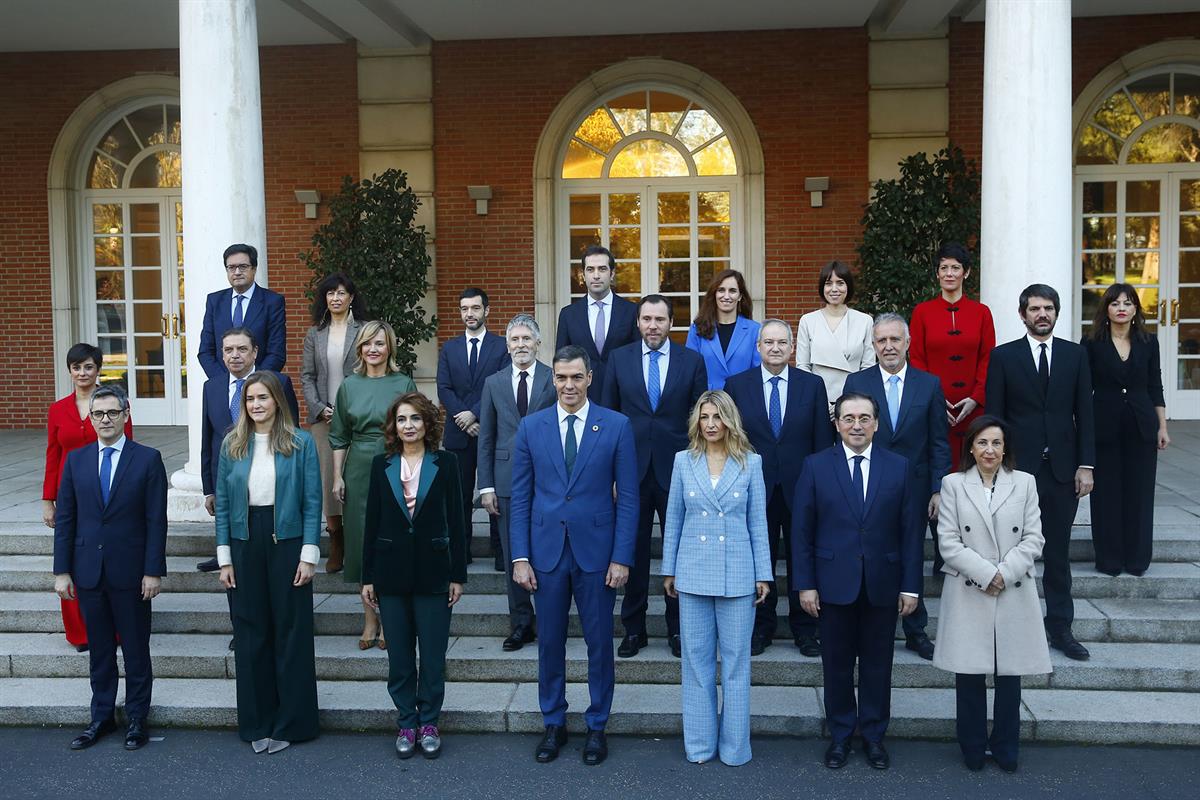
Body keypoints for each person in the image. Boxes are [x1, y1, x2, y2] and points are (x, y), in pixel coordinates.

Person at [509, 345, 638, 766]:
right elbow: (521, 499)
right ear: (553, 380)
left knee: (599, 644)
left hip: (597, 555)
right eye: (561, 377)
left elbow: (631, 499)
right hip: (545, 554)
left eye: (576, 377)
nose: (568, 385)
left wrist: (622, 557)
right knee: (549, 643)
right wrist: (520, 557)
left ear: (589, 379)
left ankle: (597, 724)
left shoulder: (616, 426)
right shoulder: (531, 427)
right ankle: (554, 722)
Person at [791, 392, 921, 771]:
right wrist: (806, 584)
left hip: (883, 583)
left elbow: (910, 532)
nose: (857, 425)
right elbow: (802, 532)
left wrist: (910, 586)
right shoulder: (816, 466)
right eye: (848, 418)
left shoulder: (898, 467)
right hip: (833, 586)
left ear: (876, 424)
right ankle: (841, 736)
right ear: (837, 424)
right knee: (837, 666)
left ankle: (874, 737)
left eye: (864, 418)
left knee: (879, 667)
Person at [52, 385, 167, 751]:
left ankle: (136, 718)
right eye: (98, 413)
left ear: (126, 414)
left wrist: (153, 571)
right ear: (91, 417)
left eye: (112, 413)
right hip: (88, 571)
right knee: (99, 651)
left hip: (132, 572)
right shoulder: (76, 460)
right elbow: (66, 519)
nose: (105, 419)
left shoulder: (147, 459)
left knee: (135, 650)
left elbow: (155, 520)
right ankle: (101, 716)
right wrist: (61, 571)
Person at [933, 415, 1050, 773]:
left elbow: (1034, 537)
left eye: (996, 443)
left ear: (1005, 449)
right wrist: (987, 574)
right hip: (971, 587)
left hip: (1013, 587)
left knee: (1009, 676)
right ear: (970, 446)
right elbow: (948, 541)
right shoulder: (953, 484)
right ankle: (971, 745)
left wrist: (1005, 572)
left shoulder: (1025, 483)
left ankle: (1005, 745)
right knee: (968, 675)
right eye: (982, 442)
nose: (989, 450)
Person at [661, 390, 772, 766]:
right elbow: (673, 517)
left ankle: (735, 748)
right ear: (697, 422)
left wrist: (763, 573)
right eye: (705, 417)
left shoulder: (750, 463)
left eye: (717, 417)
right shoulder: (683, 461)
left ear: (729, 421)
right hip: (692, 572)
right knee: (696, 663)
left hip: (738, 573)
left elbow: (759, 522)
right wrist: (670, 569)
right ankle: (700, 745)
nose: (711, 424)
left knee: (737, 664)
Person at [986, 284, 1095, 661]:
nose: (1042, 314)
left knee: (1058, 553)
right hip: (1017, 471)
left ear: (1056, 313)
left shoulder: (1075, 355)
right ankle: (1012, 626)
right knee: (1012, 552)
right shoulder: (1003, 357)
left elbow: (1086, 413)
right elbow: (994, 418)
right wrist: (995, 468)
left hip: (1063, 471)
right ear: (1022, 314)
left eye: (1048, 308)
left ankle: (1061, 627)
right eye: (1035, 309)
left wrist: (1086, 465)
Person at [215, 372, 322, 754]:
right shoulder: (232, 444)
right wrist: (224, 557)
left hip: (288, 539)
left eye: (263, 397)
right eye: (250, 399)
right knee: (250, 633)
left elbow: (313, 500)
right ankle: (257, 721)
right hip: (245, 542)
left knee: (291, 631)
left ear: (277, 400)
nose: (256, 404)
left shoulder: (301, 443)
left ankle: (294, 722)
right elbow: (224, 506)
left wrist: (309, 553)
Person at [362, 392, 468, 759]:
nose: (408, 426)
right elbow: (371, 521)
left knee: (434, 657)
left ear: (428, 424)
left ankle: (430, 722)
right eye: (402, 420)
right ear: (394, 426)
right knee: (401, 658)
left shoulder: (447, 463)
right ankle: (407, 720)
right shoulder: (381, 465)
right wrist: (368, 576)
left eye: (415, 419)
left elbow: (457, 519)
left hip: (434, 572)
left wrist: (458, 574)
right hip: (390, 575)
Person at [602, 295, 707, 658]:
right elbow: (609, 418)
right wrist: (610, 473)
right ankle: (634, 629)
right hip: (630, 471)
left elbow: (699, 419)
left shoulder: (691, 361)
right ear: (638, 322)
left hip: (678, 470)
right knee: (633, 549)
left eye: (659, 319)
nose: (652, 325)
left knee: (678, 550)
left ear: (671, 323)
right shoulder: (619, 359)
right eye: (646, 319)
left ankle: (678, 629)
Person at [844, 313, 950, 661]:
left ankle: (916, 629)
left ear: (907, 343)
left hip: (915, 489)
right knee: (869, 553)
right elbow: (848, 438)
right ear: (873, 345)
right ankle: (873, 625)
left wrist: (937, 488)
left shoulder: (929, 384)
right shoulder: (857, 383)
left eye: (895, 340)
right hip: (866, 487)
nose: (888, 346)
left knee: (911, 553)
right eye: (881, 341)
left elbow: (938, 441)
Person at [724, 320, 833, 658]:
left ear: (792, 348)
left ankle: (805, 629)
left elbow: (821, 441)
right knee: (760, 559)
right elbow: (731, 440)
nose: (774, 348)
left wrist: (821, 488)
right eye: (768, 342)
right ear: (758, 347)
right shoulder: (737, 385)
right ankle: (761, 627)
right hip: (754, 490)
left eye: (781, 342)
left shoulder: (812, 386)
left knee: (803, 557)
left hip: (802, 487)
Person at [331, 320, 417, 649]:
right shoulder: (349, 386)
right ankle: (369, 619)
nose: (373, 349)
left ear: (389, 348)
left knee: (392, 540)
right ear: (360, 348)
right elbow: (338, 436)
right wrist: (338, 476)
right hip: (358, 468)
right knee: (361, 542)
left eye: (380, 343)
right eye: (368, 343)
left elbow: (415, 427)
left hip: (396, 462)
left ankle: (390, 621)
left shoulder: (403, 381)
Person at [42, 342, 134, 652]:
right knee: (73, 556)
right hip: (71, 496)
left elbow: (129, 450)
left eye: (88, 367)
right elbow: (53, 455)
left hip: (107, 492)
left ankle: (116, 627)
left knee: (106, 556)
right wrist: (47, 499)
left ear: (98, 370)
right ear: (70, 371)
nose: (82, 372)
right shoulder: (58, 409)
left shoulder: (113, 405)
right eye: (76, 367)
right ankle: (80, 633)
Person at [477, 315, 557, 651]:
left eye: (527, 339)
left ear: (538, 343)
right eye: (515, 340)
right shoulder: (493, 383)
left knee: (548, 551)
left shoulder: (553, 380)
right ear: (507, 345)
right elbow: (487, 436)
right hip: (507, 480)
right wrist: (486, 486)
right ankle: (521, 623)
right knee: (514, 553)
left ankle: (551, 620)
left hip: (548, 480)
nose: (521, 345)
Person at [1082, 283, 1169, 576]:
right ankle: (1109, 559)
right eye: (1116, 302)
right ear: (1106, 308)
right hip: (1103, 425)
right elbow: (1084, 389)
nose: (1122, 308)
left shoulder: (1148, 342)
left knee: (1139, 492)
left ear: (1135, 310)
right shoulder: (1091, 343)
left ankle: (1137, 559)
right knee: (1106, 492)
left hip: (1141, 425)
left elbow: (1155, 385)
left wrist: (1162, 426)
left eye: (1128, 303)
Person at [436, 287, 510, 569]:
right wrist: (463, 417)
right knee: (459, 496)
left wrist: (475, 414)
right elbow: (443, 387)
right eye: (465, 309)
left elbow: (502, 384)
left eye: (475, 308)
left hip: (493, 431)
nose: (470, 314)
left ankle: (501, 551)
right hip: (459, 434)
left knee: (496, 492)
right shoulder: (450, 348)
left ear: (486, 311)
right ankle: (460, 552)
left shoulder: (502, 346)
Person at [301, 272, 368, 574]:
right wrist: (319, 408)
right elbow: (307, 376)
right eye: (330, 293)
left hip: (359, 418)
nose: (336, 298)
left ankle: (357, 538)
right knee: (329, 479)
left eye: (342, 293)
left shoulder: (366, 330)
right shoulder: (315, 333)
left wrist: (351, 409)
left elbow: (371, 370)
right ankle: (337, 539)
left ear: (351, 297)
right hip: (323, 419)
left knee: (355, 478)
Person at [909, 243, 996, 470]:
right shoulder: (921, 312)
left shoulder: (982, 313)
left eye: (955, 268)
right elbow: (917, 359)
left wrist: (977, 397)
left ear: (965, 273)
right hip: (934, 405)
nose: (949, 273)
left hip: (974, 407)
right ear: (937, 273)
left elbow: (988, 358)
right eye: (944, 267)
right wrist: (935, 399)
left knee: (974, 469)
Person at [555, 245, 639, 402]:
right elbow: (561, 360)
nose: (596, 275)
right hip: (582, 397)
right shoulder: (568, 314)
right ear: (583, 275)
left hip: (622, 396)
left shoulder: (631, 311)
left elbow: (637, 358)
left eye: (602, 269)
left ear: (612, 274)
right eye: (590, 269)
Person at [796, 260, 875, 415]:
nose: (834, 289)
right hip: (817, 403)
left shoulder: (864, 321)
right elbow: (803, 367)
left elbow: (868, 368)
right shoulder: (808, 321)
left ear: (848, 287)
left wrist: (847, 403)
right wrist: (821, 401)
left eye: (840, 283)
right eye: (828, 283)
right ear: (822, 287)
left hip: (854, 404)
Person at [198, 243, 287, 379]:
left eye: (243, 267)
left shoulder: (273, 302)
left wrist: (254, 382)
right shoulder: (214, 301)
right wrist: (225, 382)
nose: (237, 272)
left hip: (259, 387)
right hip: (223, 387)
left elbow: (276, 352)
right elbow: (206, 351)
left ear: (254, 269)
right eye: (232, 267)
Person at [685, 269, 761, 390]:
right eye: (721, 290)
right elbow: (690, 370)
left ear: (740, 296)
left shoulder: (755, 330)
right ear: (714, 293)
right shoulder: (697, 329)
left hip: (742, 400)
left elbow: (758, 373)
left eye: (732, 291)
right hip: (707, 402)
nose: (726, 296)